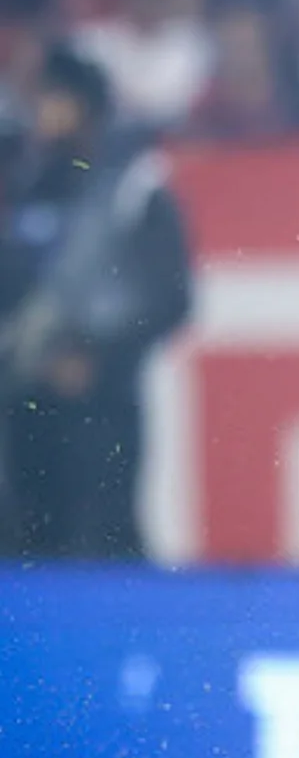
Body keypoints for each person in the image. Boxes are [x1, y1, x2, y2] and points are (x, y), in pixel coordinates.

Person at [0, 46, 194, 558]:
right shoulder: (25, 182)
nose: (35, 108)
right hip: (27, 401)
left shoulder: (137, 186)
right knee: (31, 547)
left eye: (47, 96)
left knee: (102, 543)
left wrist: (96, 357)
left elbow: (172, 296)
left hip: (102, 406)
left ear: (82, 104)